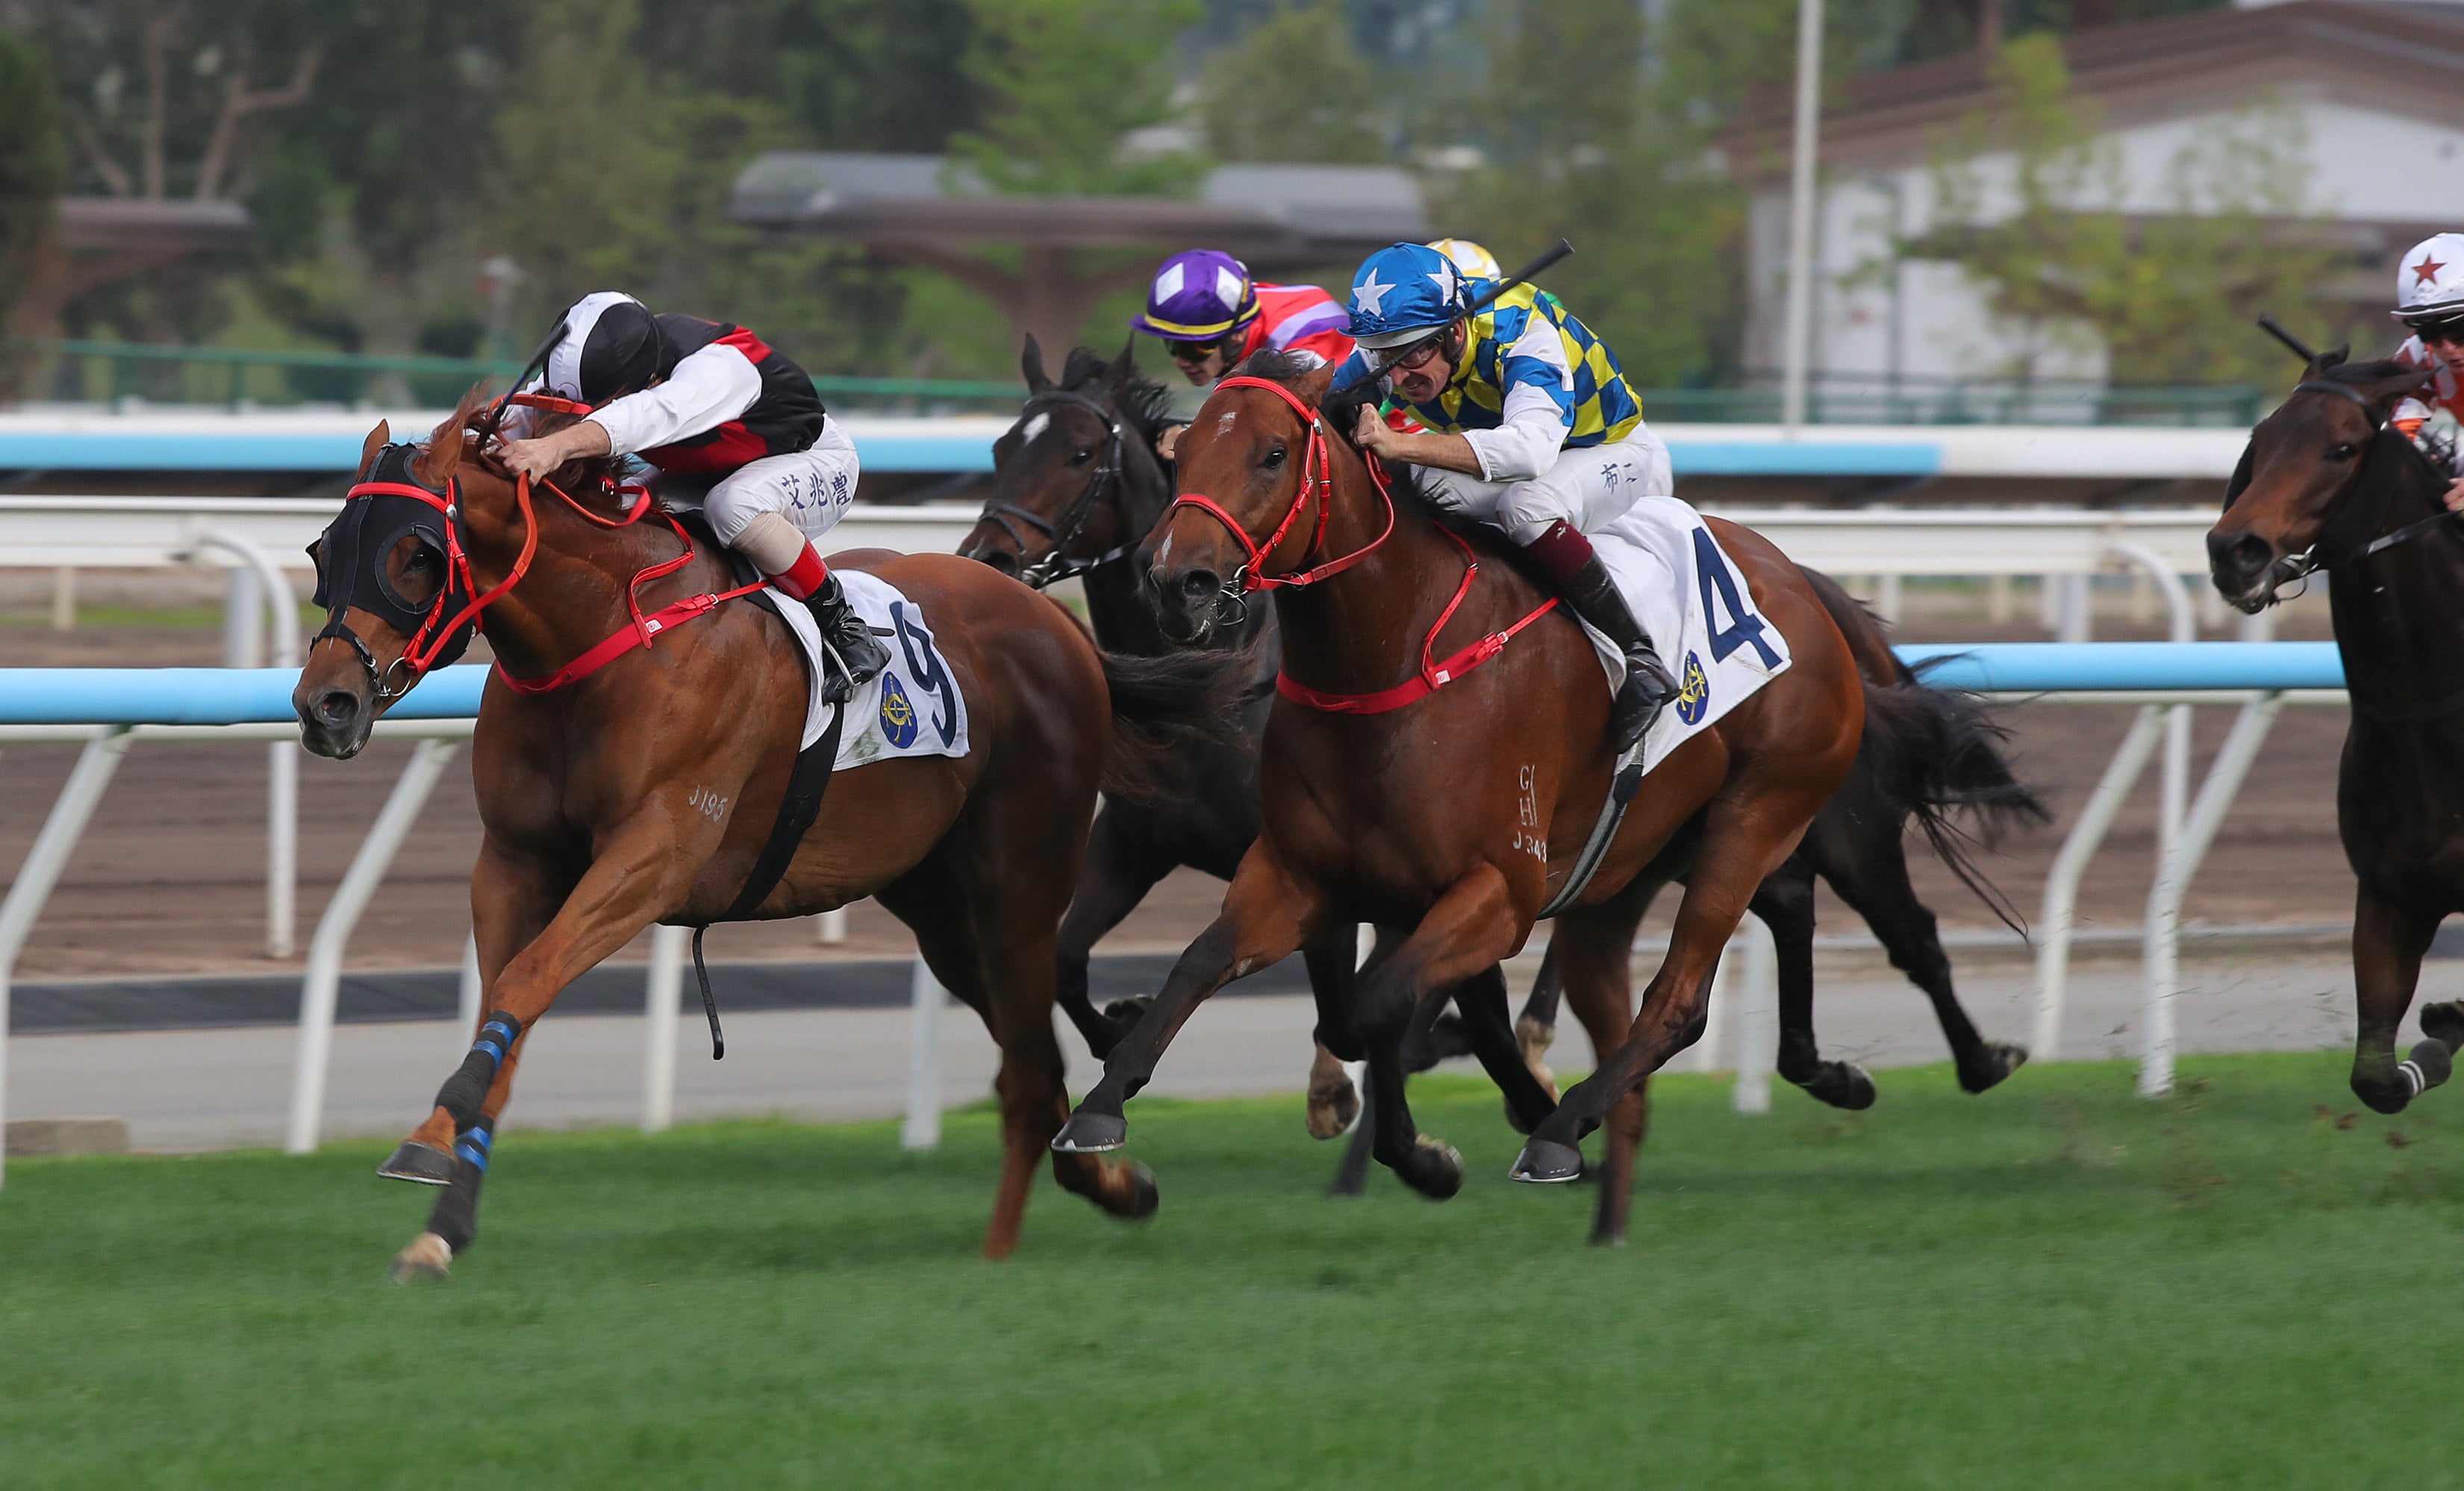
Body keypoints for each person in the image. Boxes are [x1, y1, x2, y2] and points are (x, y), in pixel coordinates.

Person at [1332, 241, 1677, 753]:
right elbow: (1319, 410)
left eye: (1411, 355)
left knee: (1527, 506)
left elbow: (1530, 453)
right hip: (1515, 453)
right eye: (1383, 356)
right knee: (1402, 487)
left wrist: (1399, 442)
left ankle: (1639, 660)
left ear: (1453, 332)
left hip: (1608, 449)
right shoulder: (1395, 345)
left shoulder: (1526, 336)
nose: (1398, 375)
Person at [496, 292, 888, 699]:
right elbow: (526, 415)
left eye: (600, 404)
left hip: (811, 460)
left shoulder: (718, 367)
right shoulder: (610, 364)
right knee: (616, 509)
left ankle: (844, 628)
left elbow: (646, 415)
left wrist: (555, 447)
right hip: (704, 471)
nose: (591, 409)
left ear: (645, 380)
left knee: (733, 506)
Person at [1131, 250, 1353, 459]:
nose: (1180, 361)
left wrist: (1192, 436)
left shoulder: (1301, 344)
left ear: (1236, 335)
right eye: (1172, 344)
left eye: (1195, 349)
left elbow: (1280, 434)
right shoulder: (1233, 310)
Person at [2388, 233, 2464, 513]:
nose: (2447, 349)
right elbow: (2395, 436)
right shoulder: (2419, 355)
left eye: (2460, 331)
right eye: (2430, 333)